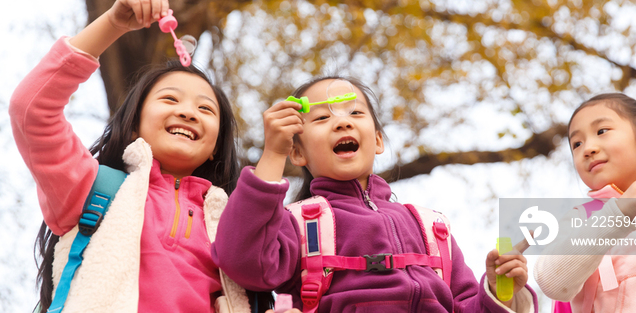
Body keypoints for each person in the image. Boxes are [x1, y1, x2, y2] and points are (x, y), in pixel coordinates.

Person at [9, 0, 271, 313]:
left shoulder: (235, 228)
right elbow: (31, 110)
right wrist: (113, 24)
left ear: (216, 147)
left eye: (205, 109)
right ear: (134, 126)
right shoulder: (93, 190)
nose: (188, 112)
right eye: (170, 99)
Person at [212, 76, 537, 312]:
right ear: (297, 154)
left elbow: (468, 307)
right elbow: (243, 261)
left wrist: (498, 290)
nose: (342, 123)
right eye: (323, 118)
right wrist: (272, 155)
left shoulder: (432, 228)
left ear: (378, 140)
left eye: (355, 113)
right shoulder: (297, 223)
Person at [534, 92, 636, 312]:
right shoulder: (582, 219)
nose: (588, 149)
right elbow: (551, 281)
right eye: (577, 144)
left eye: (602, 131)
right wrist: (618, 212)